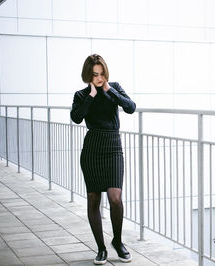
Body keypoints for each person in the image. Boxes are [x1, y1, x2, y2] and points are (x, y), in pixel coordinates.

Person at [70, 54, 136, 264]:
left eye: (101, 73)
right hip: (92, 149)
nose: (99, 78)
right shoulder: (81, 94)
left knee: (115, 198)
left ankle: (117, 241)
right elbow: (77, 117)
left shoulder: (113, 87)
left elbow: (130, 107)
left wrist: (108, 90)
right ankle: (101, 248)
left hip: (113, 147)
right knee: (94, 199)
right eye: (94, 75)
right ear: (88, 75)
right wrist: (91, 95)